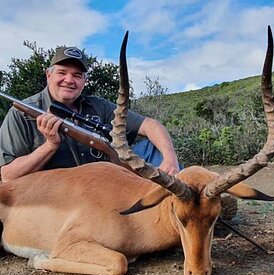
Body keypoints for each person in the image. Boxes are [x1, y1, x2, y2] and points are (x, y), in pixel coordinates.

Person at [0, 46, 180, 182]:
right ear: (48, 75)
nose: (69, 80)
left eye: (77, 75)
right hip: (62, 194)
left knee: (153, 147)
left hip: (108, 180)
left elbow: (151, 125)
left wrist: (170, 160)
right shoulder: (20, 113)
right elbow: (8, 176)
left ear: (84, 81)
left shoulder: (98, 105)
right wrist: (49, 146)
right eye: (62, 72)